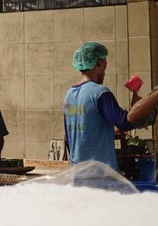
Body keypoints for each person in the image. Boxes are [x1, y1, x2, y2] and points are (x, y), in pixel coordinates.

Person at [63, 42, 158, 170]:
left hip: (78, 171)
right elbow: (125, 122)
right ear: (98, 63)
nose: (105, 70)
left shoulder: (68, 96)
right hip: (101, 173)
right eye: (105, 64)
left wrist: (108, 133)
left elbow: (72, 136)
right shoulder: (100, 92)